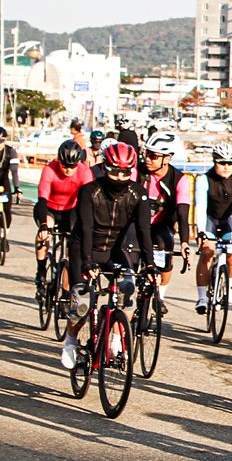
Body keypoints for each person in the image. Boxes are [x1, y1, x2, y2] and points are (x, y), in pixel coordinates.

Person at [62, 141, 151, 371]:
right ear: (105, 168)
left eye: (126, 173)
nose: (120, 178)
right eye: (115, 172)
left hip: (113, 249)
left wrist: (150, 265)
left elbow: (144, 231)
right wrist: (87, 261)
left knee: (128, 291)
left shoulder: (138, 194)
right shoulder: (89, 191)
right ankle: (70, 341)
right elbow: (86, 228)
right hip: (84, 247)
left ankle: (114, 341)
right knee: (82, 303)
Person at [192, 141, 232, 311]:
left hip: (229, 220)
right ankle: (202, 297)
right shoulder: (204, 180)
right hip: (209, 219)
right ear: (214, 162)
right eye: (222, 163)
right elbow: (200, 207)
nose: (226, 167)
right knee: (206, 253)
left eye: (230, 163)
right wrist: (201, 231)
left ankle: (229, 284)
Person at [35, 139, 90, 294]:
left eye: (72, 166)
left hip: (70, 210)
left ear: (78, 163)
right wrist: (43, 225)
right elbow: (42, 199)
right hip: (49, 208)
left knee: (71, 248)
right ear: (59, 160)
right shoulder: (50, 169)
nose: (68, 170)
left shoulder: (85, 173)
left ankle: (66, 290)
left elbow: (87, 202)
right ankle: (41, 270)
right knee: (44, 233)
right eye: (65, 165)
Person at [138, 132, 188, 291]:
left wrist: (185, 243)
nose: (147, 159)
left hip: (161, 225)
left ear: (167, 159)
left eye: (153, 156)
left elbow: (183, 213)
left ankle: (160, 295)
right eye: (146, 153)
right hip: (136, 223)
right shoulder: (136, 172)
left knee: (165, 248)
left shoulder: (179, 179)